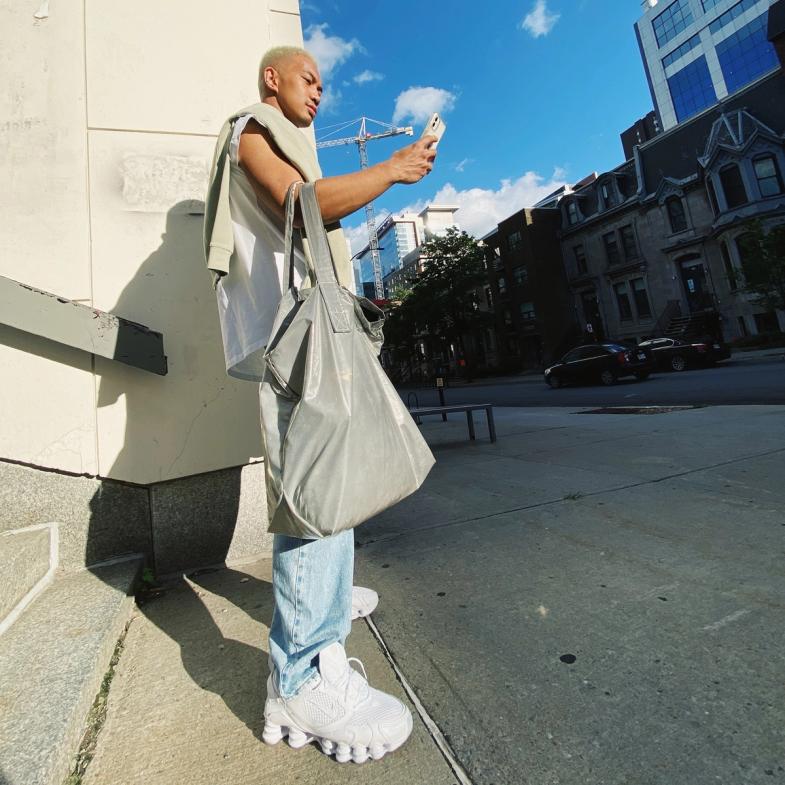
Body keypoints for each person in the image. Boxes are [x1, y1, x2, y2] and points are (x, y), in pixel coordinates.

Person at [204, 46, 437, 764]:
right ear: (273, 78)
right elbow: (297, 203)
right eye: (311, 79)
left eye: (324, 84)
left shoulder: (285, 136)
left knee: (324, 475)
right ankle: (301, 676)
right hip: (289, 336)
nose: (320, 93)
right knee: (311, 488)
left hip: (298, 331)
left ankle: (325, 607)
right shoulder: (251, 126)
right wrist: (392, 171)